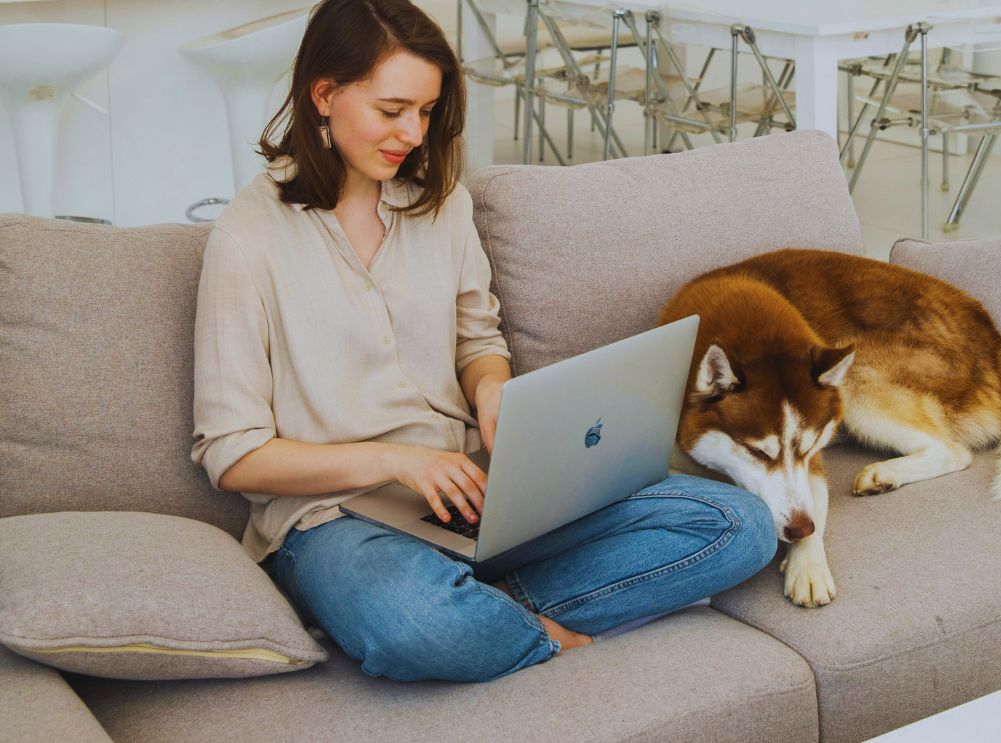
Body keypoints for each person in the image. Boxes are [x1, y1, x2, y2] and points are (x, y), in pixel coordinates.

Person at [190, 0, 776, 683]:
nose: (412, 132)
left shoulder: (441, 203)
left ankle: (485, 614)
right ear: (324, 94)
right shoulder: (246, 239)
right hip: (334, 523)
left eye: (427, 111)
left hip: (472, 495)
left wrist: (492, 388)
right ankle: (512, 624)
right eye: (391, 109)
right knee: (412, 620)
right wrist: (396, 460)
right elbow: (233, 457)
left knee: (739, 522)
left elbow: (477, 338)